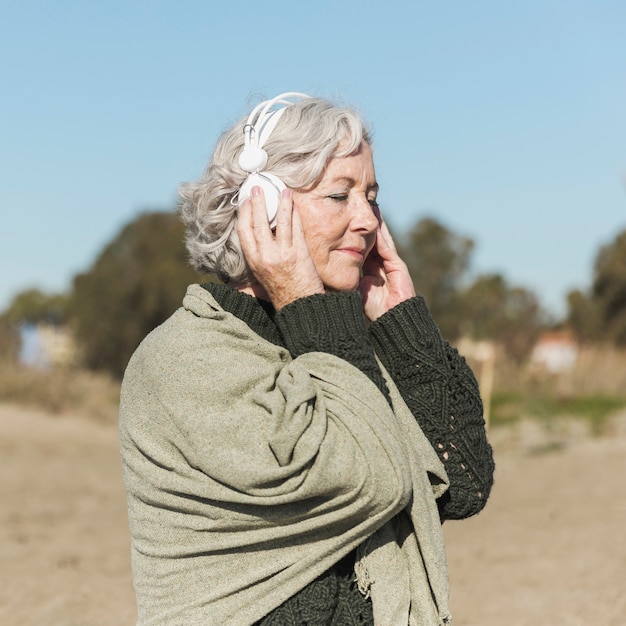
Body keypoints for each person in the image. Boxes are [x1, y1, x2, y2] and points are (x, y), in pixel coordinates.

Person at [119, 92, 495, 626]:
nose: (368, 220)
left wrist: (402, 324)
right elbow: (367, 478)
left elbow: (464, 483)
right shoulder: (184, 361)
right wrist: (305, 302)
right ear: (261, 205)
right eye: (340, 196)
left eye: (371, 195)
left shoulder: (337, 346)